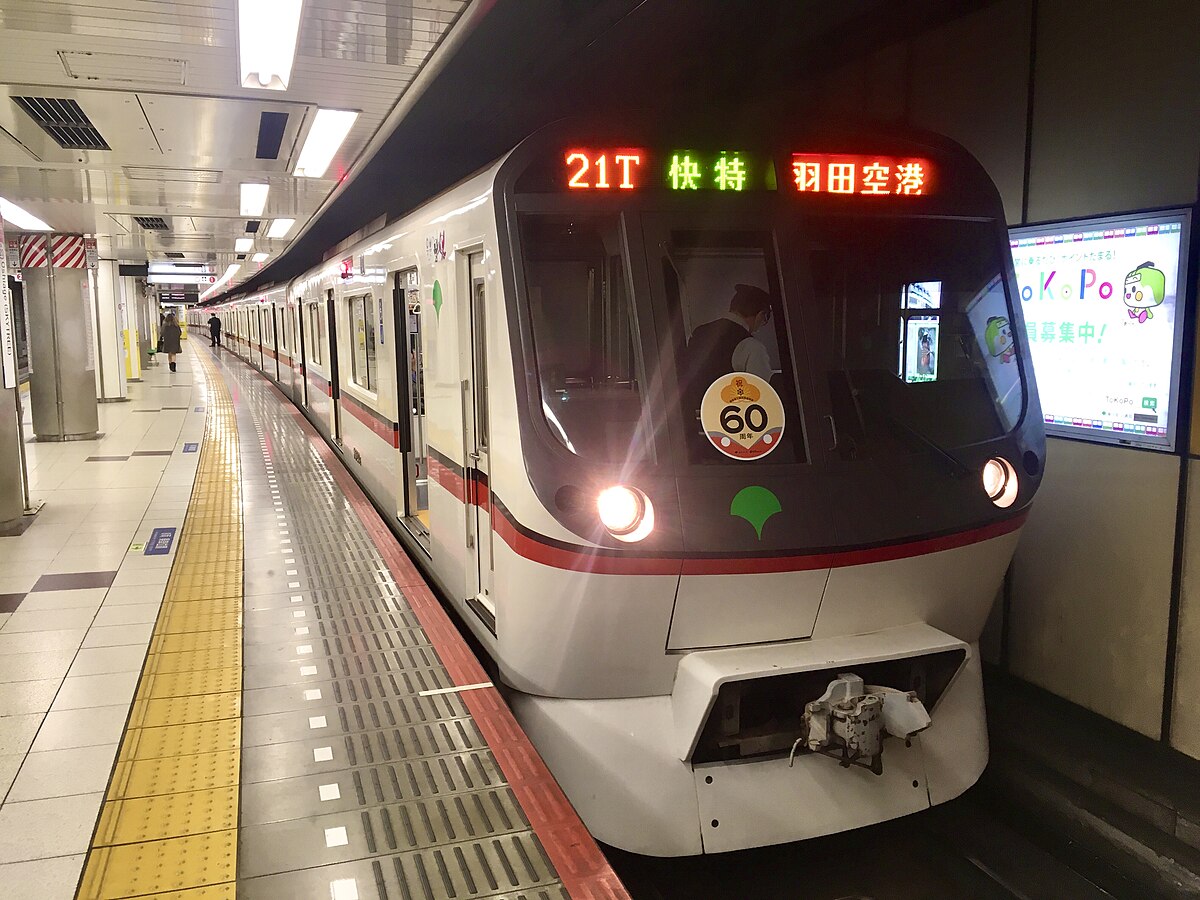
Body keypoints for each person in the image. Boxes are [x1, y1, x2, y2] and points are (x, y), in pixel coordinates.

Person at [682, 284, 774, 414]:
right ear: (760, 315)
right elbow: (761, 395)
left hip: (693, 417)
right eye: (765, 319)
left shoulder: (699, 332)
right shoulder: (750, 345)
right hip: (730, 422)